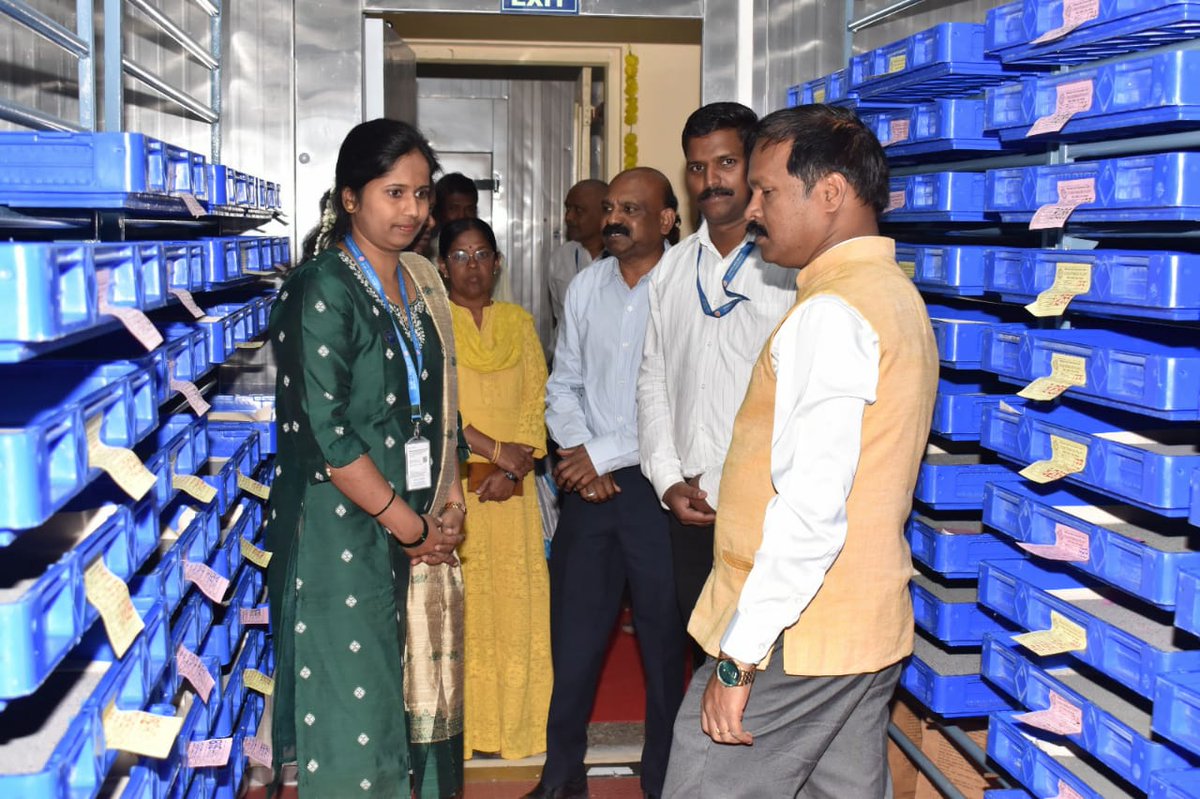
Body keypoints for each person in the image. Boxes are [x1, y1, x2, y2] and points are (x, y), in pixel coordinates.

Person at [662, 105, 939, 798]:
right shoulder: (890, 292)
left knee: (704, 771)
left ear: (832, 193)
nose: (753, 209)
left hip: (800, 630)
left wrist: (738, 659)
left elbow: (812, 507)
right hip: (860, 630)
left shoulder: (832, 312)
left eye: (768, 191)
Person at [264, 118, 469, 799]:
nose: (413, 210)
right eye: (394, 193)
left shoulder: (420, 280)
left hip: (410, 518)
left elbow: (440, 406)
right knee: (358, 717)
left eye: (422, 194)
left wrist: (445, 502)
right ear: (350, 197)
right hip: (340, 528)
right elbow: (329, 435)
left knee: (411, 708)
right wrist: (411, 528)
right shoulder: (322, 286)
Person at [529, 167, 685, 799]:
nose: (615, 219)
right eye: (612, 208)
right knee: (575, 641)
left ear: (668, 220)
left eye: (633, 209)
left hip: (658, 491)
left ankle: (663, 781)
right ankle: (561, 778)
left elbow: (679, 399)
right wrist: (575, 454)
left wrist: (598, 455)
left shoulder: (688, 288)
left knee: (663, 649)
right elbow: (561, 382)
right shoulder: (587, 285)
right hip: (588, 493)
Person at [636, 102, 795, 670]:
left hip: (766, 508)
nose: (710, 180)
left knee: (765, 669)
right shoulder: (673, 269)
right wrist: (666, 479)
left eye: (725, 162)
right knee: (706, 663)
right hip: (690, 510)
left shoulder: (790, 267)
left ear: (753, 164)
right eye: (697, 167)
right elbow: (653, 380)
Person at [438, 216, 553, 761]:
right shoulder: (432, 326)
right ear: (442, 266)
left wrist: (513, 468)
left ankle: (517, 730)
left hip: (515, 493)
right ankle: (464, 733)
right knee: (464, 612)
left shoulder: (519, 322)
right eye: (459, 256)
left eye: (482, 254)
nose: (472, 267)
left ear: (498, 262)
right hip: (456, 491)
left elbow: (538, 400)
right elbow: (437, 410)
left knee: (517, 610)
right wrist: (491, 452)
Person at [547, 179, 607, 337]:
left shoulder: (622, 258)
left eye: (579, 210)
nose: (569, 217)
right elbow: (559, 317)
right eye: (568, 208)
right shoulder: (560, 257)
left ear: (605, 213)